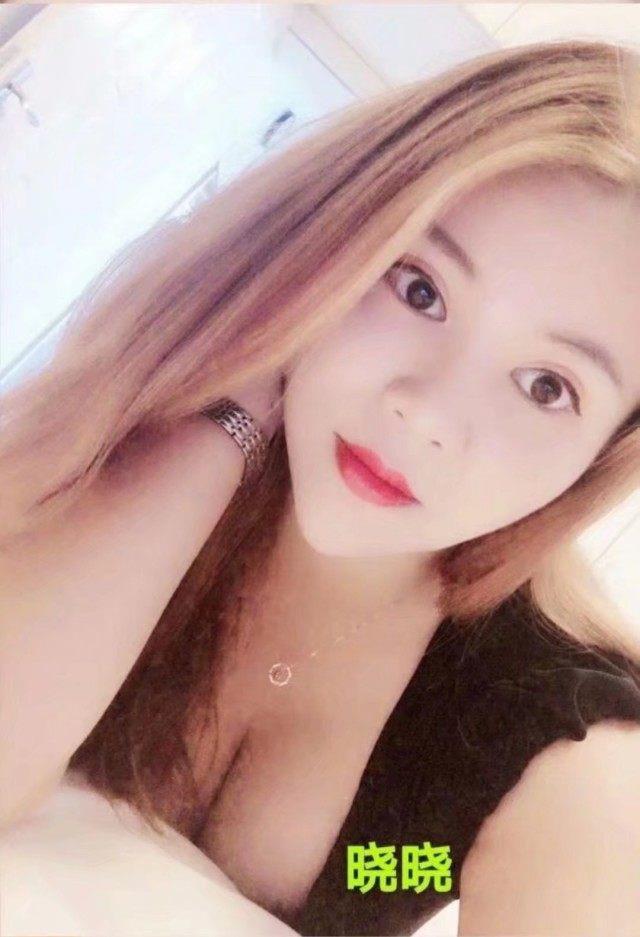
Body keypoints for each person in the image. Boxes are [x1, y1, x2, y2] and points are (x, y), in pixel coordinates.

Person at [1, 37, 640, 937]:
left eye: (547, 387)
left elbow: (460, 870)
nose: (427, 413)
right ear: (340, 235)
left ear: (601, 456)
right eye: (419, 289)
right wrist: (229, 406)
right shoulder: (120, 447)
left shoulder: (557, 746)